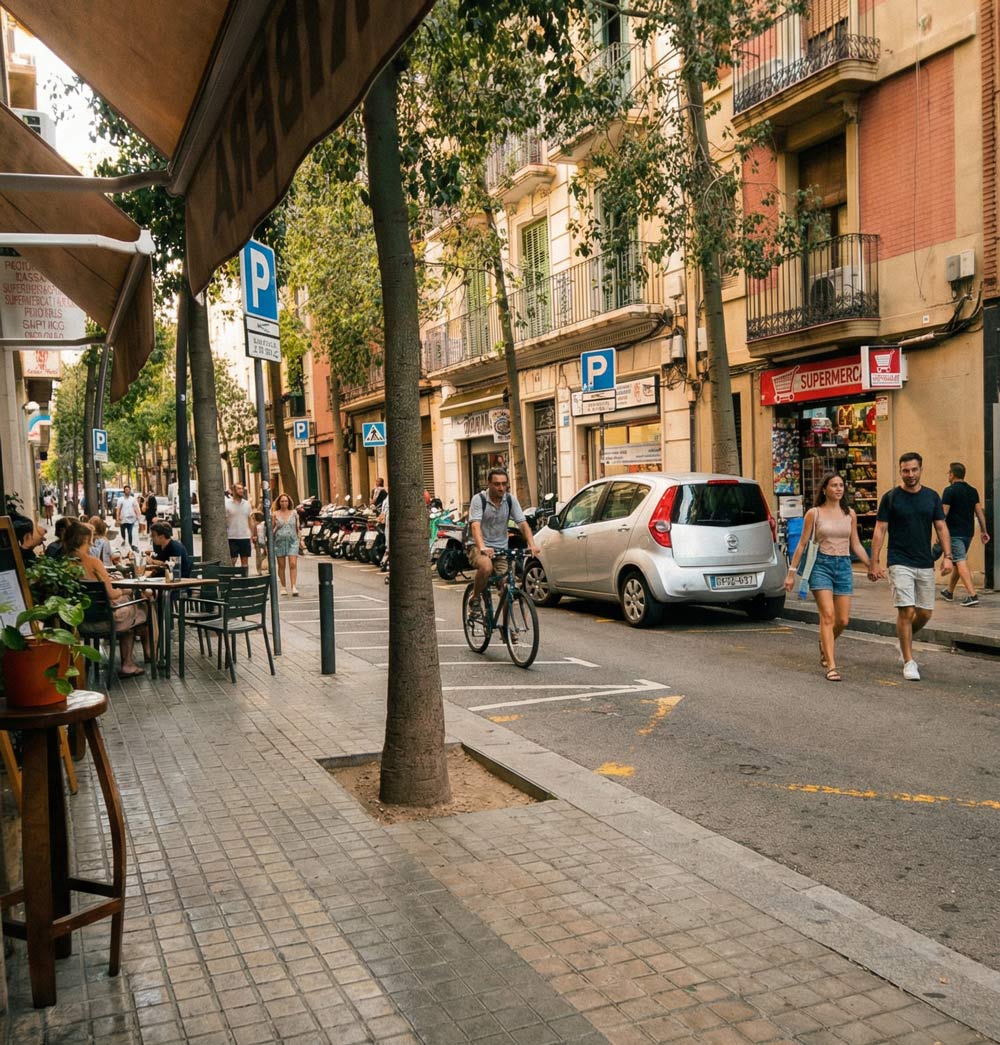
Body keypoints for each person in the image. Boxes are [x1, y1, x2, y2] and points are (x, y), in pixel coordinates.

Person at [868, 452, 952, 682]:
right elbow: (880, 530)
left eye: (914, 470)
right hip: (898, 561)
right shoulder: (891, 498)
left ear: (921, 469)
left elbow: (941, 527)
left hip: (924, 561)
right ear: (900, 471)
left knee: (924, 613)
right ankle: (909, 661)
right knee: (906, 610)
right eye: (906, 470)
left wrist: (948, 556)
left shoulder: (932, 497)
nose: (910, 474)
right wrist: (874, 562)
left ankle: (903, 640)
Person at [785, 473, 875, 682]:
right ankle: (831, 666)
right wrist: (791, 574)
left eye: (841, 485)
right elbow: (802, 544)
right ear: (824, 489)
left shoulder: (850, 513)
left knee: (843, 620)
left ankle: (824, 643)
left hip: (843, 566)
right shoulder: (814, 513)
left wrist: (871, 564)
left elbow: (856, 544)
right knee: (827, 615)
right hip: (820, 565)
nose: (838, 489)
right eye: (834, 485)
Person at [63, 519, 151, 678]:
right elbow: (111, 594)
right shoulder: (93, 563)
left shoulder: (63, 564)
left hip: (79, 622)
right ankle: (131, 662)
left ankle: (132, 660)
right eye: (91, 539)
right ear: (84, 539)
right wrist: (126, 591)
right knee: (140, 608)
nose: (93, 543)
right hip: (105, 621)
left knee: (130, 613)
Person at [468, 468, 539, 617]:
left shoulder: (510, 500)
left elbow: (522, 523)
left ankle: (509, 628)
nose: (501, 488)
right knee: (486, 567)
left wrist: (532, 544)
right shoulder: (479, 500)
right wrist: (482, 546)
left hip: (500, 549)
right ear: (489, 484)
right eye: (497, 484)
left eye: (504, 484)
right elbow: (475, 525)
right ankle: (475, 598)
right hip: (478, 546)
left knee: (507, 587)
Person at [940, 462, 989, 606]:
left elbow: (943, 514)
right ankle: (949, 591)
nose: (948, 475)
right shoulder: (972, 491)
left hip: (954, 533)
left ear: (952, 474)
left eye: (948, 473)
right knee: (957, 562)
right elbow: (979, 513)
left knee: (960, 561)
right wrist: (984, 531)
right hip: (968, 533)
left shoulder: (949, 491)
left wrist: (940, 533)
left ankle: (972, 595)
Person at [272, 493, 300, 596]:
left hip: (292, 541)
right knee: (281, 565)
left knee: (293, 564)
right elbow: (271, 529)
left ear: (289, 502)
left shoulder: (294, 513)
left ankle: (293, 586)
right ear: (279, 503)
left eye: (286, 501)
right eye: (282, 501)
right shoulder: (275, 514)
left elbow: (297, 528)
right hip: (279, 541)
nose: (284, 503)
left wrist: (300, 540)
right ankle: (283, 586)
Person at [225, 482, 253, 568]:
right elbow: (224, 520)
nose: (241, 491)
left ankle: (244, 578)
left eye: (242, 489)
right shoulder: (227, 504)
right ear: (233, 491)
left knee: (245, 562)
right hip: (232, 536)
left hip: (244, 536)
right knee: (233, 560)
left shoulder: (247, 504)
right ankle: (231, 578)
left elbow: (250, 519)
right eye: (239, 489)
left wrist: (252, 533)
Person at [116, 484, 140, 549]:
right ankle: (123, 539)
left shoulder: (133, 499)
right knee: (122, 532)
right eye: (126, 490)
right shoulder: (120, 499)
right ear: (124, 491)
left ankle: (131, 544)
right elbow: (118, 509)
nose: (128, 491)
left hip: (131, 519)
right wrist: (117, 518)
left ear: (130, 491)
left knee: (130, 533)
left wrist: (138, 516)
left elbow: (136, 508)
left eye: (129, 490)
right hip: (123, 519)